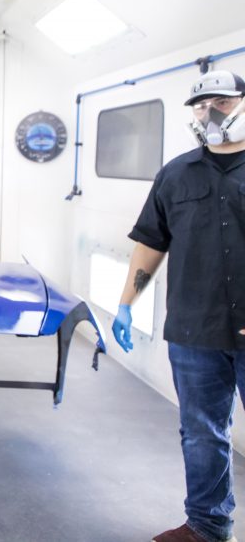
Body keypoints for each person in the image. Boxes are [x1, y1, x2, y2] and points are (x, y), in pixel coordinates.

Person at [113, 70, 245, 542]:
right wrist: (126, 303)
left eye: (222, 103)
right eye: (199, 105)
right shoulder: (176, 173)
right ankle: (208, 527)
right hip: (194, 331)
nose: (209, 113)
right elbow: (151, 242)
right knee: (202, 434)